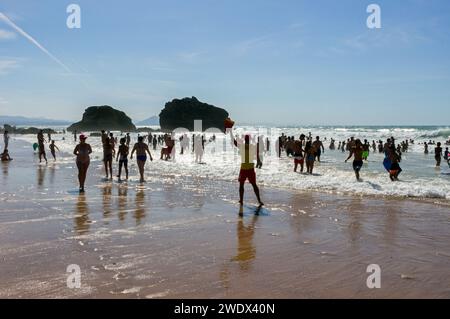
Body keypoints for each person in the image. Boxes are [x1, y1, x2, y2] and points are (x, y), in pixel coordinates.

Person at [230, 130, 263, 207]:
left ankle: (242, 200)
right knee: (252, 185)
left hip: (245, 168)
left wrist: (231, 132)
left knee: (244, 185)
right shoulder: (252, 146)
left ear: (245, 139)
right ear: (249, 139)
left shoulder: (243, 146)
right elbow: (257, 153)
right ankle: (258, 201)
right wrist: (259, 161)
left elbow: (234, 142)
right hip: (249, 168)